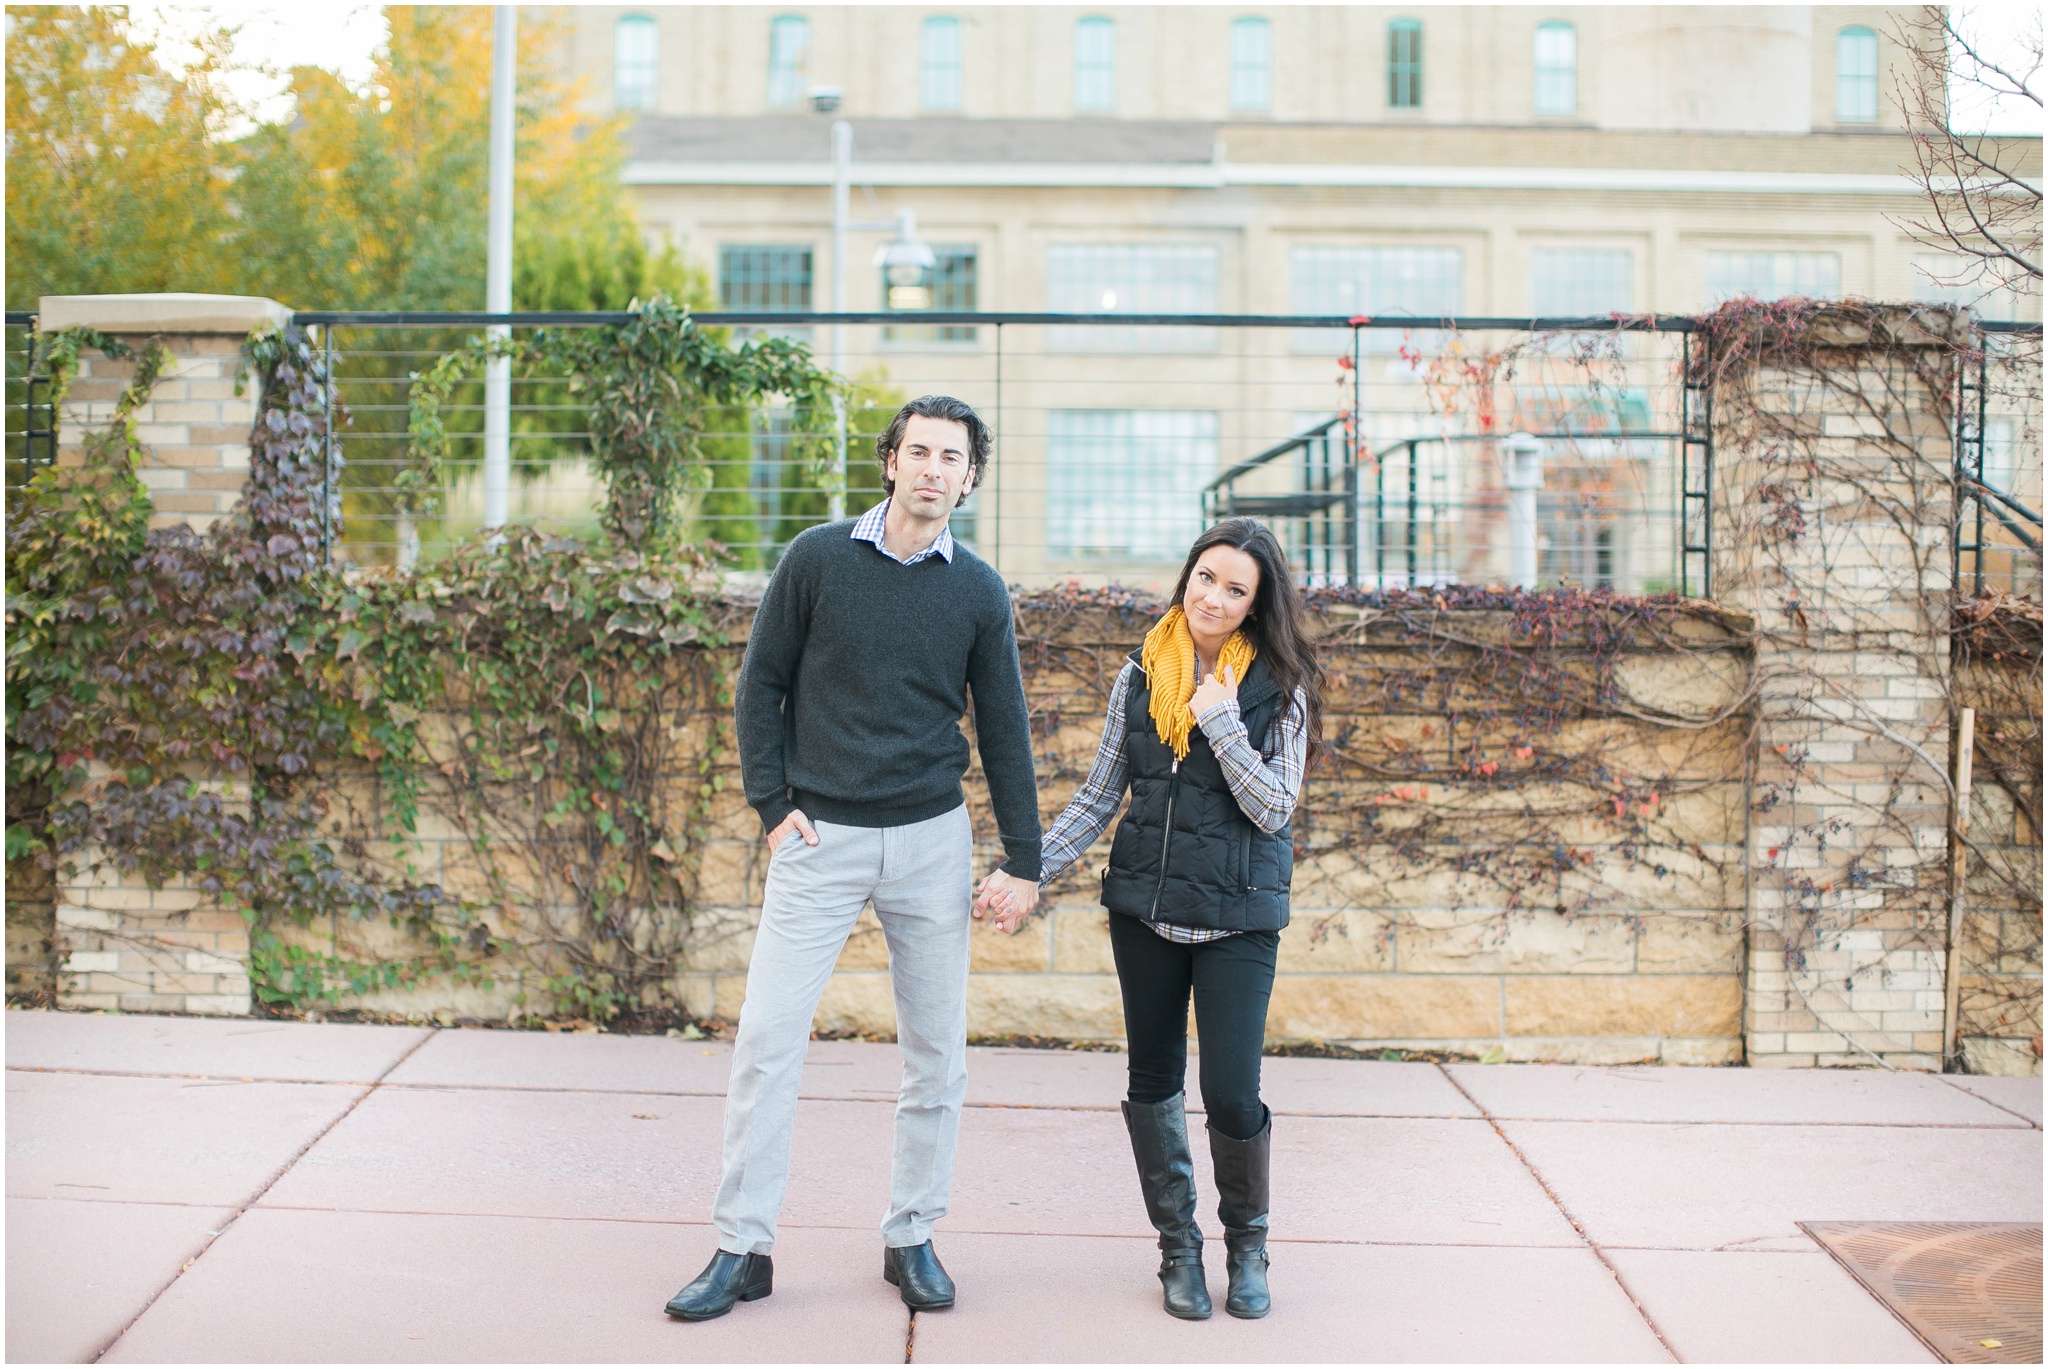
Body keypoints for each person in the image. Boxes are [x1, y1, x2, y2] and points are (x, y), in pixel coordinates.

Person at [665, 395, 1042, 1322]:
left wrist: (1024, 858)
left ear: (970, 477)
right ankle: (741, 1247)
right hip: (818, 838)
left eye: (950, 456)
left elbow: (1004, 729)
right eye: (917, 450)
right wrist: (771, 805)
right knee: (766, 1037)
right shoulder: (818, 558)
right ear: (889, 462)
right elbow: (761, 684)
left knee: (935, 1053)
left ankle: (911, 1232)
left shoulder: (979, 590)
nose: (931, 468)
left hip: (930, 839)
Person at [979, 517, 1321, 1321]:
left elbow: (1274, 807)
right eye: (1206, 577)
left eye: (1236, 589)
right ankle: (1177, 1248)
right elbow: (1101, 795)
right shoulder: (1139, 676)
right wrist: (1028, 867)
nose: (1214, 596)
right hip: (1147, 911)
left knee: (1233, 1094)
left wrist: (1222, 719)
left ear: (1256, 604)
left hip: (1238, 916)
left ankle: (1247, 1244)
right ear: (1187, 578)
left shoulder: (1281, 687)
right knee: (1153, 1083)